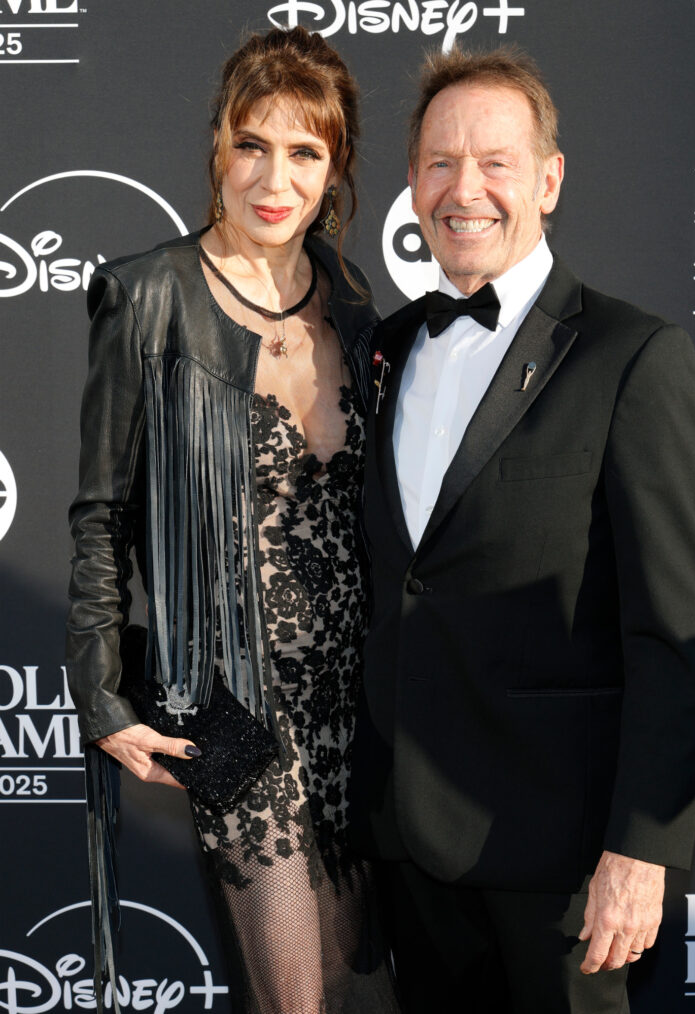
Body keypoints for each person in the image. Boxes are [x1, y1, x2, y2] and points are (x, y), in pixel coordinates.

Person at [349, 45, 695, 1014]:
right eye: (437, 163)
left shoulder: (629, 357)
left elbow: (667, 634)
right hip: (408, 856)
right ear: (411, 184)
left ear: (547, 181)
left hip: (563, 867)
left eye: (494, 162)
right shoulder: (383, 349)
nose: (461, 189)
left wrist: (640, 849)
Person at [66, 26, 397, 1014]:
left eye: (303, 151)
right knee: (292, 997)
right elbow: (100, 512)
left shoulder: (349, 297)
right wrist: (101, 695)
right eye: (251, 143)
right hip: (236, 717)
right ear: (218, 146)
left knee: (359, 993)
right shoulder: (148, 294)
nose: (273, 175)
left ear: (335, 168)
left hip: (362, 717)